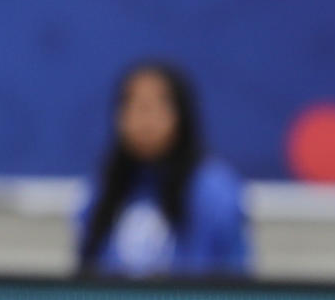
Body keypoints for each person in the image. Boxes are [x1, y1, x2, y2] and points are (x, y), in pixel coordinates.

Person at [76, 61, 250, 277]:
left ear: (182, 115)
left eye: (158, 105)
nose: (144, 118)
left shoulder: (214, 190)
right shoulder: (101, 188)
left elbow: (238, 282)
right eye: (133, 105)